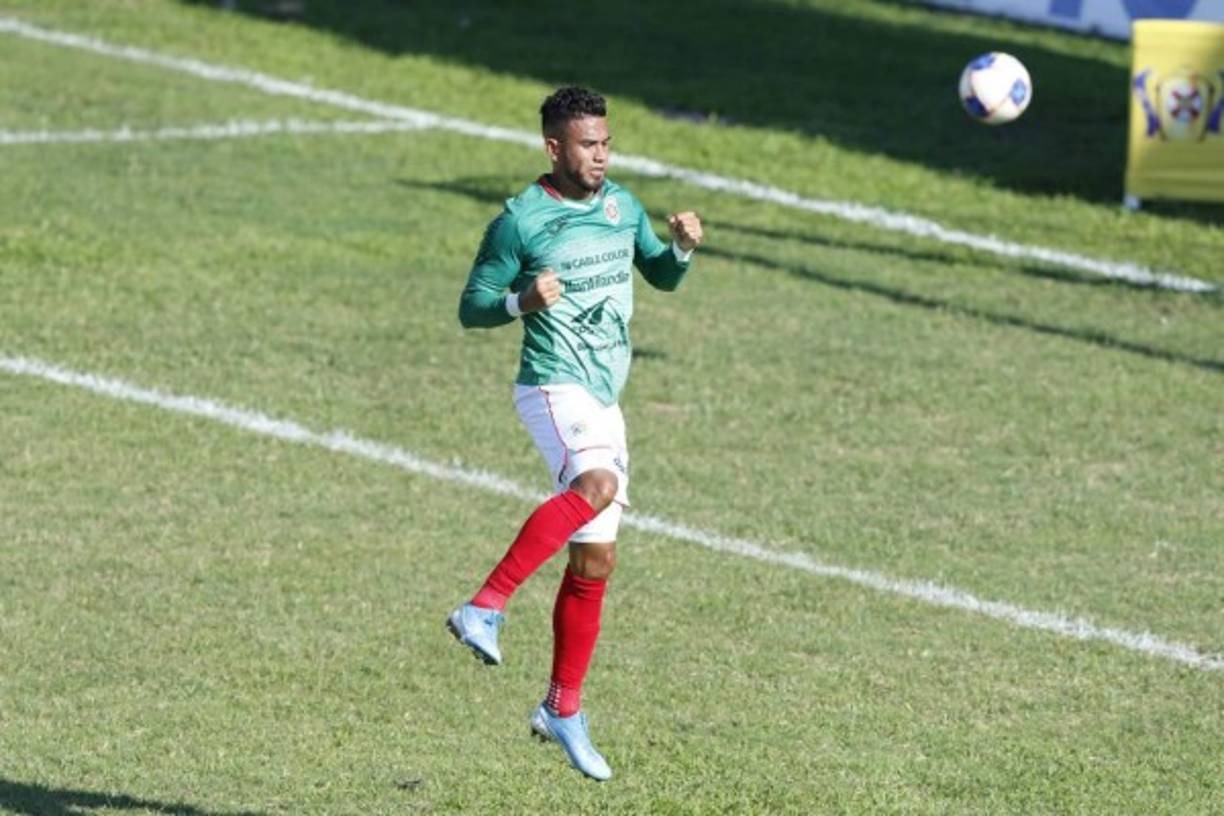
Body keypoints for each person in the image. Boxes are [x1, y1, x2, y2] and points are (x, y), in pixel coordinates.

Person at [447, 85, 703, 781]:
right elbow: (472, 310)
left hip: (604, 395)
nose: (600, 155)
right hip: (551, 385)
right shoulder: (521, 223)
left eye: (605, 143)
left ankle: (562, 708)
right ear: (553, 147)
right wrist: (519, 300)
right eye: (587, 145)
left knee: (595, 563)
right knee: (597, 485)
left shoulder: (620, 205)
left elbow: (658, 273)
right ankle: (485, 604)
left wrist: (678, 250)